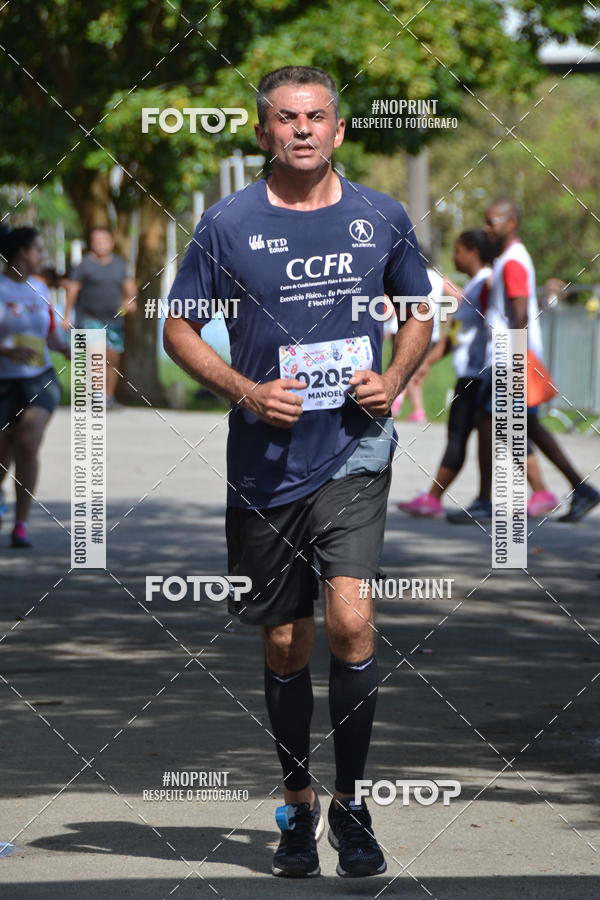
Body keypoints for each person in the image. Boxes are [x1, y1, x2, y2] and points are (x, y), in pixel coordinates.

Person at [164, 65, 433, 879]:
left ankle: (353, 808)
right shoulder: (227, 224)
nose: (304, 129)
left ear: (341, 129)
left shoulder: (380, 217)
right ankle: (299, 805)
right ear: (263, 131)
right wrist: (246, 390)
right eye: (287, 118)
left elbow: (420, 312)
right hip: (265, 463)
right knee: (286, 642)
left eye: (318, 116)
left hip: (355, 448)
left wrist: (395, 378)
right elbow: (178, 329)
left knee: (352, 622)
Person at [451, 198, 599, 524]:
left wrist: (517, 363)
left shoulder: (514, 261)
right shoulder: (507, 259)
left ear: (512, 223)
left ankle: (485, 500)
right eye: (487, 223)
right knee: (522, 426)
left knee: (491, 424)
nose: (488, 230)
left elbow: (519, 316)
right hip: (505, 357)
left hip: (507, 358)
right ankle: (581, 489)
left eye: (494, 223)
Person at [398, 229, 493, 516]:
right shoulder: (473, 287)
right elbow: (454, 334)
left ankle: (442, 498)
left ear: (473, 252)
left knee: (466, 434)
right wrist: (428, 362)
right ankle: (438, 498)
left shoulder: (486, 284)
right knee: (466, 434)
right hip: (471, 374)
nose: (453, 256)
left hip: (482, 375)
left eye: (458, 250)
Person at [0, 226, 70, 547]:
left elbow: (52, 335)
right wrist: (7, 351)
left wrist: (69, 347)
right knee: (3, 451)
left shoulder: (40, 288)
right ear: (22, 252)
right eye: (39, 249)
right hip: (3, 380)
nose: (43, 255)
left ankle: (21, 524)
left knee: (27, 443)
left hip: (39, 379)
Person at [64, 226, 137, 408]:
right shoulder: (84, 265)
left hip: (114, 319)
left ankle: (108, 397)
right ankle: (98, 395)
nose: (99, 244)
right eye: (96, 241)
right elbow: (73, 289)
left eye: (103, 240)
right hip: (89, 318)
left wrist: (131, 301)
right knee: (97, 353)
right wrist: (66, 315)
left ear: (112, 243)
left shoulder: (120, 265)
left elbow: (129, 288)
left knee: (111, 359)